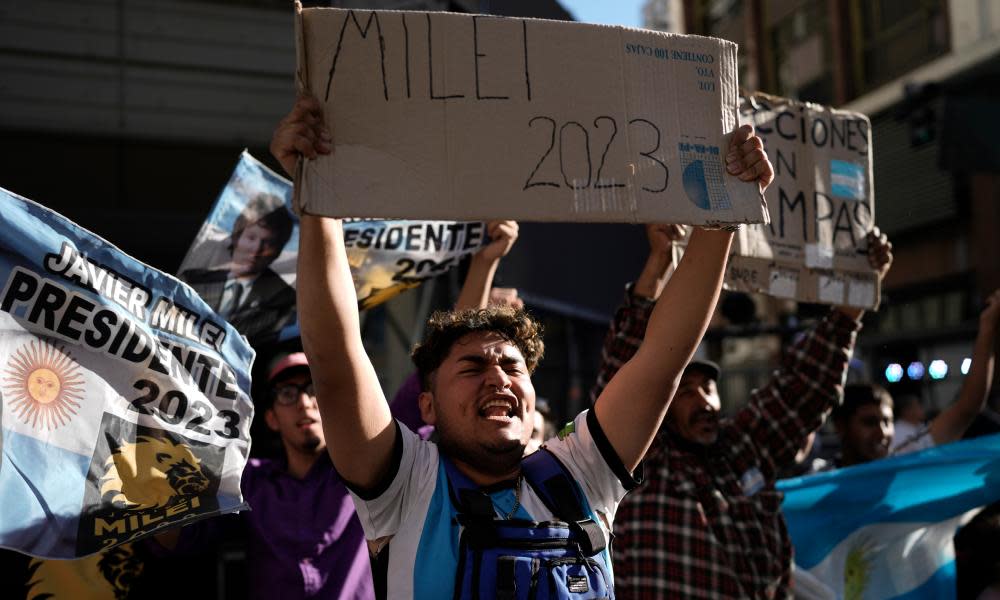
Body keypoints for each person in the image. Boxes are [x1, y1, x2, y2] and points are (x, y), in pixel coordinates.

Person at [271, 93, 774, 598]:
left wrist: (724, 211)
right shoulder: (406, 485)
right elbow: (335, 356)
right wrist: (319, 200)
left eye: (513, 367)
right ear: (426, 404)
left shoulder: (581, 472)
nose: (498, 378)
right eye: (472, 367)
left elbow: (665, 355)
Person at [591, 222, 893, 598]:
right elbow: (625, 369)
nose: (703, 401)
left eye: (709, 388)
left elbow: (802, 388)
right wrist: (658, 263)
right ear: (662, 407)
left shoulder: (743, 448)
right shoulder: (643, 463)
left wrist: (854, 297)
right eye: (685, 392)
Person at [153, 352, 373, 600]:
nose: (304, 402)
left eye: (314, 389)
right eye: (287, 393)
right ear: (271, 418)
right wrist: (155, 433)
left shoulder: (365, 470)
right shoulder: (249, 480)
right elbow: (179, 537)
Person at [825, 288, 999, 467]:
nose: (882, 432)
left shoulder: (903, 462)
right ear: (841, 427)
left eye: (887, 422)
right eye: (869, 423)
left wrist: (987, 327)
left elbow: (967, 408)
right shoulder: (820, 477)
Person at [181, 193, 296, 343]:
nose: (256, 249)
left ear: (278, 250)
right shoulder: (190, 282)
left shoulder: (284, 299)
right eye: (251, 238)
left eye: (268, 243)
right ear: (237, 236)